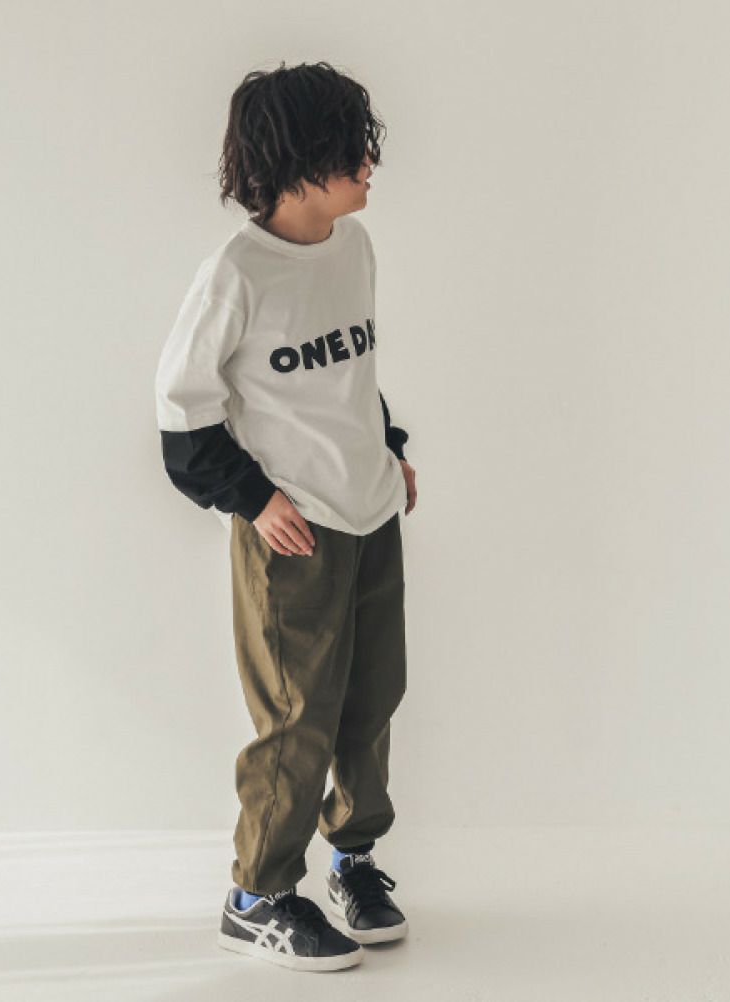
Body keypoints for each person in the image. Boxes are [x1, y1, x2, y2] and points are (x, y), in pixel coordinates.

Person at [154, 60, 416, 972]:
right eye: (352, 151)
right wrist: (253, 500)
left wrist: (389, 446)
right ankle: (257, 895)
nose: (370, 165)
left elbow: (350, 376)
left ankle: (353, 859)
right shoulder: (236, 274)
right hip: (295, 533)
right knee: (297, 717)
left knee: (373, 697)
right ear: (302, 162)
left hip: (371, 511)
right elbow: (181, 412)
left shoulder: (354, 247)